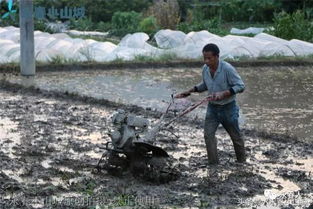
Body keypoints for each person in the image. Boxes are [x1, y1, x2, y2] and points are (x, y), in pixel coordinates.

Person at [175, 43, 246, 165]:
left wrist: (224, 93)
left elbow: (241, 86)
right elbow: (205, 85)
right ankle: (213, 164)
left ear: (217, 56)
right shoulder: (205, 69)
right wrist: (190, 91)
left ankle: (242, 162)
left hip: (228, 108)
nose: (206, 61)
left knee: (236, 137)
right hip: (212, 108)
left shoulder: (227, 69)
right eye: (204, 58)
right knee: (208, 136)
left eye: (209, 58)